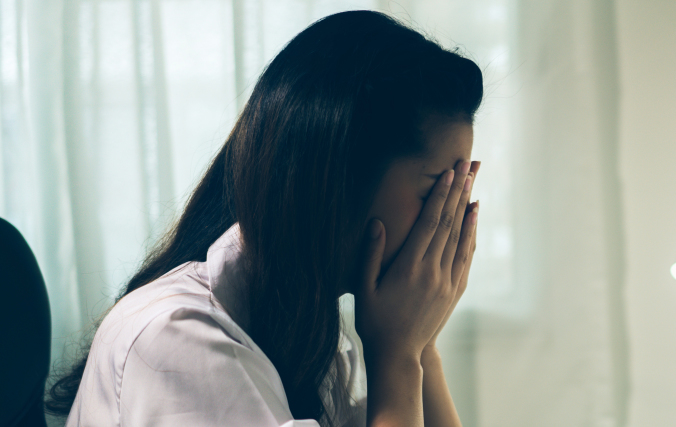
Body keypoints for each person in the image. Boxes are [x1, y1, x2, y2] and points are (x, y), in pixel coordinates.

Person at [44, 10, 482, 427]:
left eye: (460, 193)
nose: (450, 222)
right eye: (438, 192)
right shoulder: (175, 341)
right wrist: (397, 356)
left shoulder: (306, 331)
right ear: (339, 181)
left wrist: (421, 348)